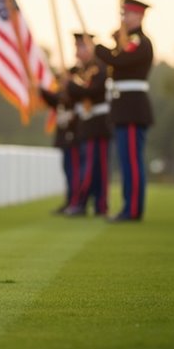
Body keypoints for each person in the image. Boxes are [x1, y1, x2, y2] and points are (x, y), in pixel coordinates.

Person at [94, 0, 154, 222]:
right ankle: (129, 206)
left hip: (132, 109)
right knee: (126, 161)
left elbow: (119, 61)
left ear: (138, 16)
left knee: (131, 161)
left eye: (126, 14)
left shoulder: (139, 41)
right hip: (124, 109)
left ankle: (133, 209)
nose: (123, 18)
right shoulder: (128, 41)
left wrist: (98, 49)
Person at [63, 33, 112, 217]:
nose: (77, 52)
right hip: (88, 123)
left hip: (98, 123)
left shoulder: (98, 67)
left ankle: (88, 203)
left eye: (80, 47)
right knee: (90, 166)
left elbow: (92, 91)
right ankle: (93, 204)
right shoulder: (82, 70)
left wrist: (72, 86)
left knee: (94, 168)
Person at [39, 68, 79, 215]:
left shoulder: (75, 93)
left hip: (73, 137)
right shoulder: (63, 94)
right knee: (68, 172)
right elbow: (53, 99)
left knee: (74, 172)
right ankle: (70, 200)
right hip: (64, 138)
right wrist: (39, 88)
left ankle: (75, 201)